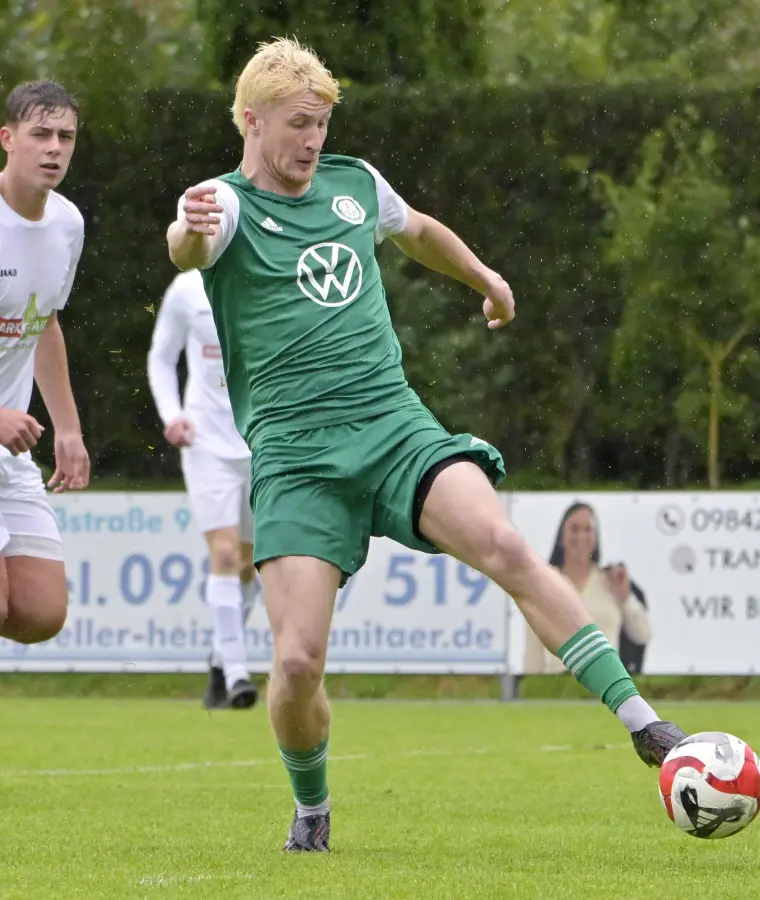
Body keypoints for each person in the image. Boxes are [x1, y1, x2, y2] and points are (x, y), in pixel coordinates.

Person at [164, 37, 685, 852]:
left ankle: (646, 725)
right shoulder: (223, 206)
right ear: (251, 119)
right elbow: (187, 248)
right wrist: (187, 230)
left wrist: (487, 280)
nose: (313, 142)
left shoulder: (354, 183)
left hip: (392, 425)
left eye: (323, 126)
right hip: (297, 458)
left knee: (506, 543)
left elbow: (417, 230)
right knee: (297, 663)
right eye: (299, 125)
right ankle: (311, 807)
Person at [0, 80, 91, 647]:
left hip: (10, 453)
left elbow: (46, 322)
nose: (54, 148)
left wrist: (69, 428)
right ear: (7, 139)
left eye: (66, 136)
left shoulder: (68, 224)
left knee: (39, 612)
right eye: (40, 134)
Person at [147, 268, 260, 710]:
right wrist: (171, 414)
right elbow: (161, 356)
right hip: (205, 442)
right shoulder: (186, 289)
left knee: (250, 565)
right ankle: (237, 674)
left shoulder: (267, 272)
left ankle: (219, 659)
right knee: (226, 554)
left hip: (258, 440)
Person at [526, 502, 652, 675]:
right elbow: (533, 648)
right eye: (574, 529)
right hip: (558, 684)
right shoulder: (547, 582)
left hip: (607, 682)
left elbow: (642, 634)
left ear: (596, 536)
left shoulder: (609, 582)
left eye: (588, 530)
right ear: (562, 534)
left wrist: (625, 597)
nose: (581, 536)